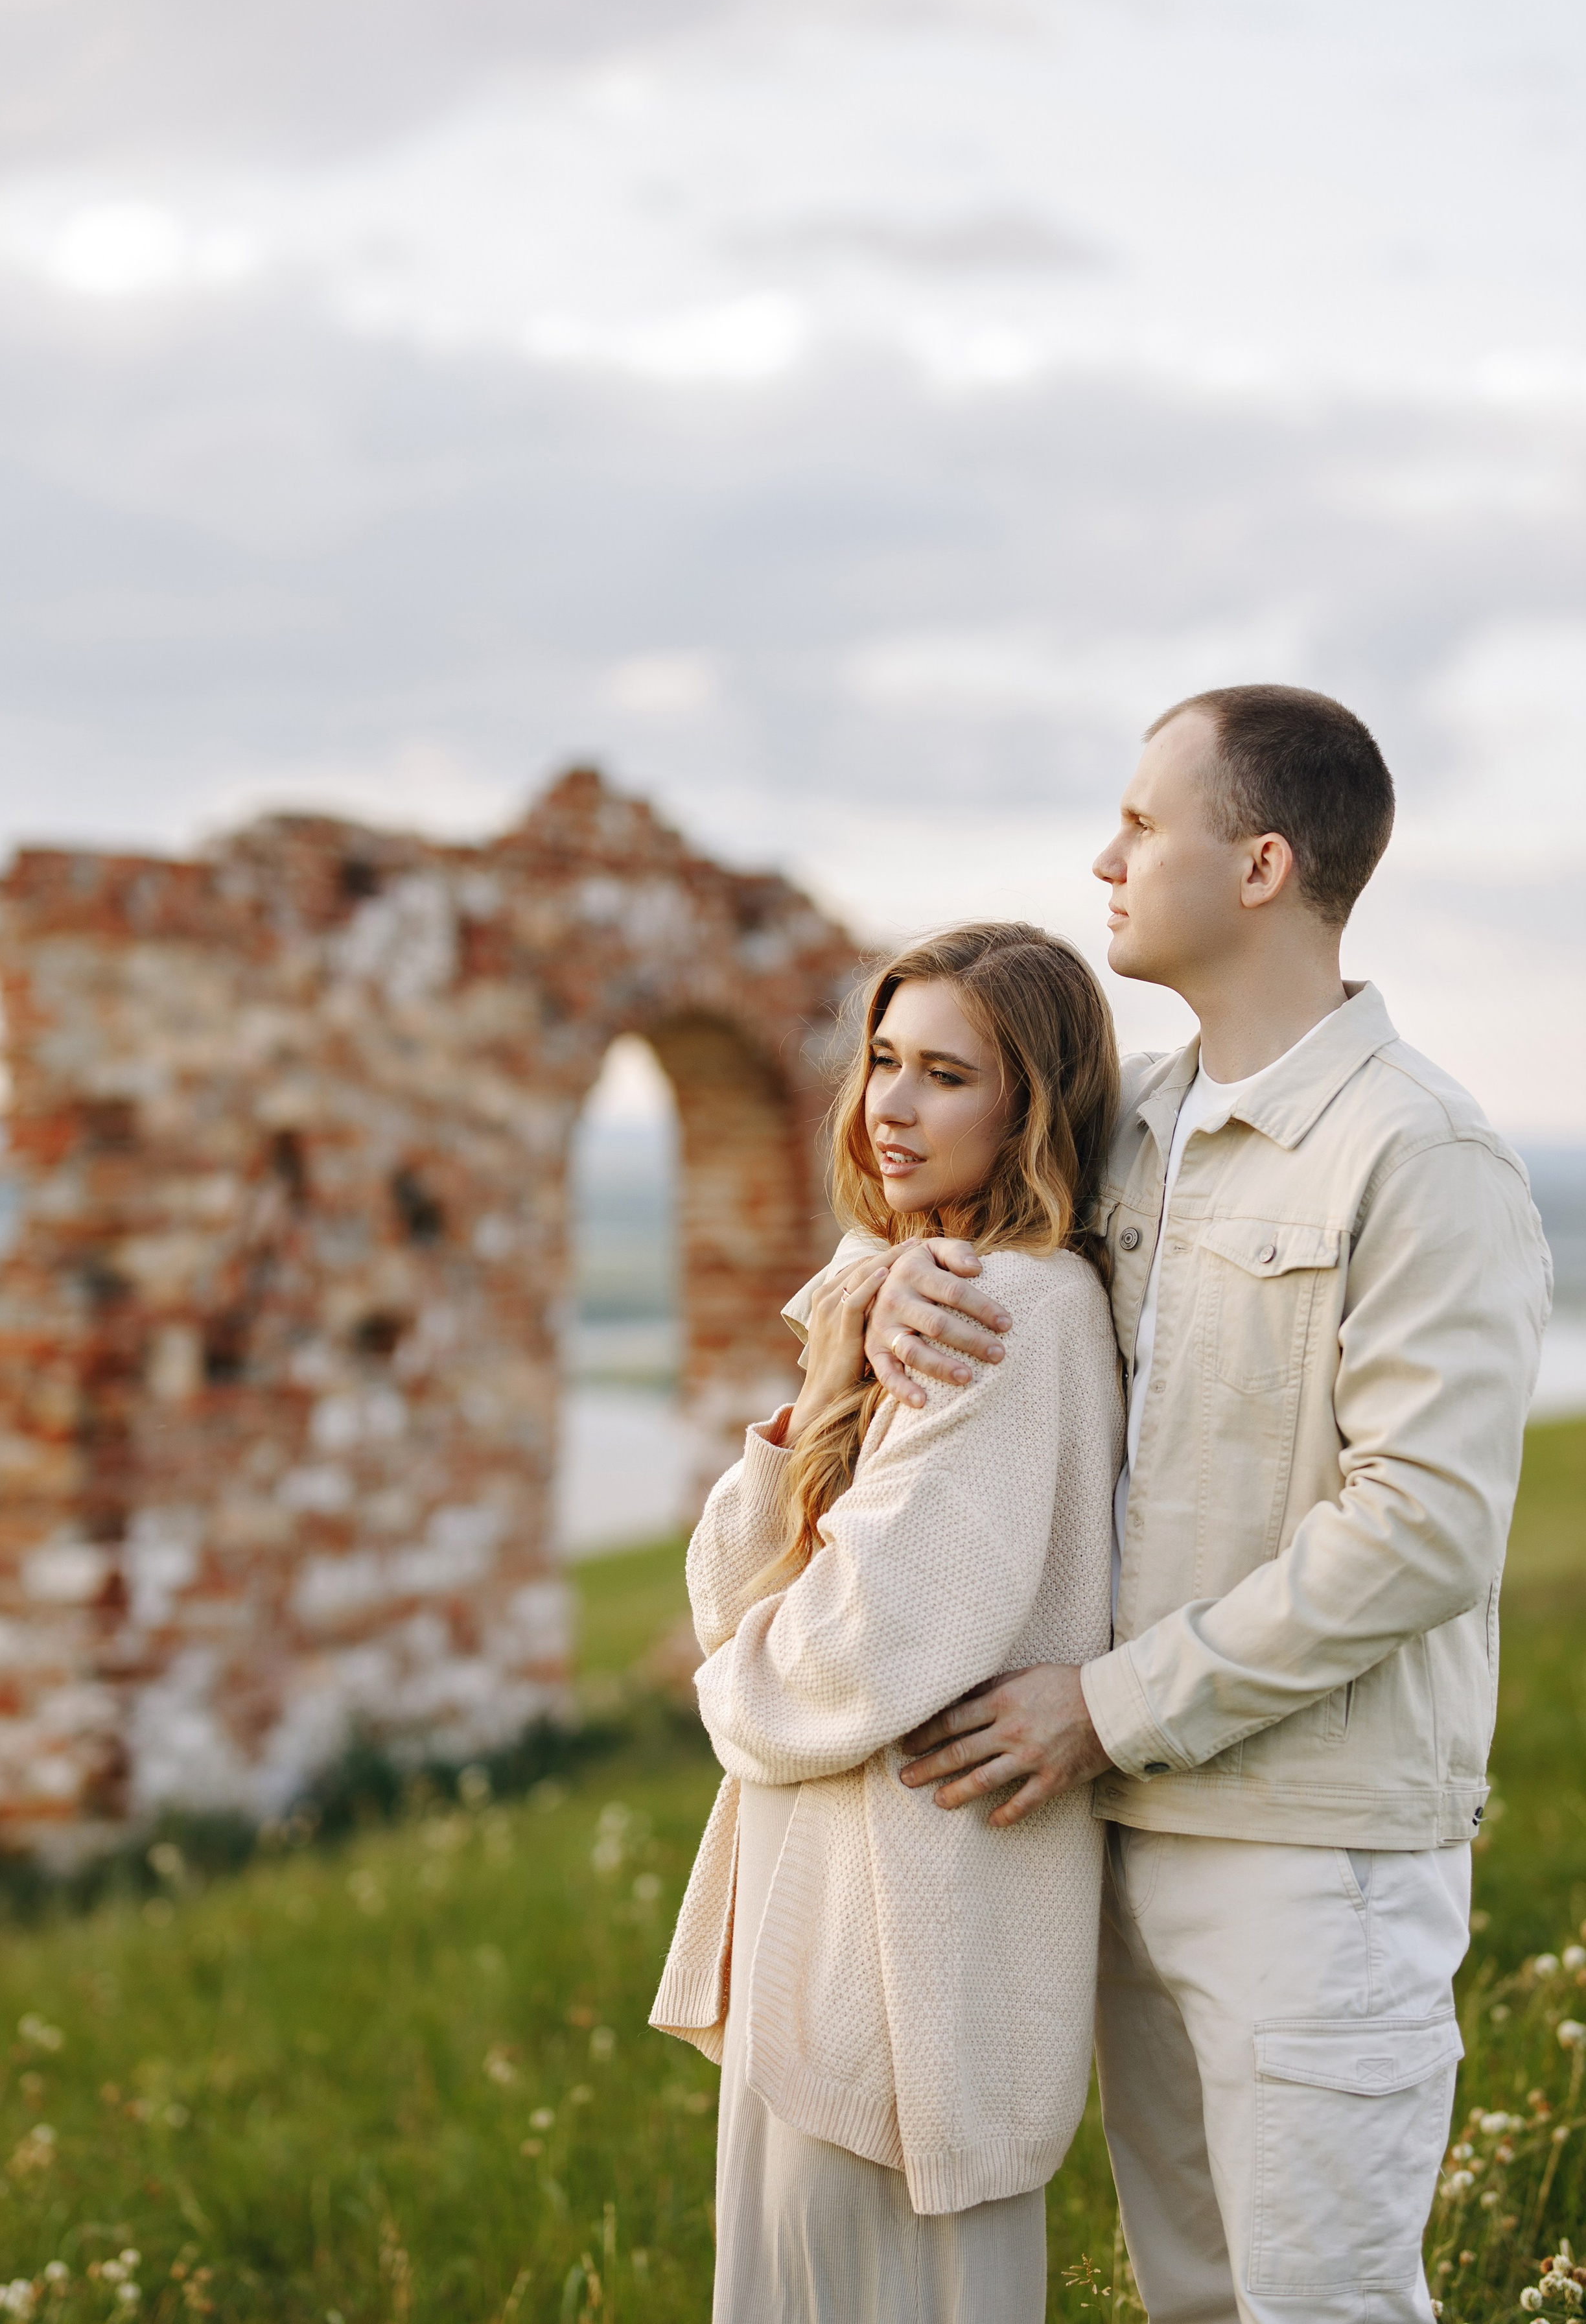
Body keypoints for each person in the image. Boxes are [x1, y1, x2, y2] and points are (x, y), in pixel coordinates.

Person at [854, 687, 1552, 2324]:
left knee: (1322, 2309)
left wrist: (1104, 1708)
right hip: (1118, 1842)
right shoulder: (1131, 1135)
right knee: (1196, 2305)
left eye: (1142, 822)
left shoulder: (1417, 1155)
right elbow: (971, 1234)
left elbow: (1424, 1531)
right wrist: (880, 1287)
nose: (1104, 856)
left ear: (1256, 864)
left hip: (1311, 1862)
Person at [651, 924, 1125, 2324]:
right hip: (827, 1928)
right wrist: (826, 1363)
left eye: (943, 1075)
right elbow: (726, 1585)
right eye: (878, 1062)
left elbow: (813, 1668)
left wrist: (730, 1687)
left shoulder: (1011, 1317)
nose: (889, 1109)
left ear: (1030, 1105)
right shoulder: (905, 1291)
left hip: (897, 1952)